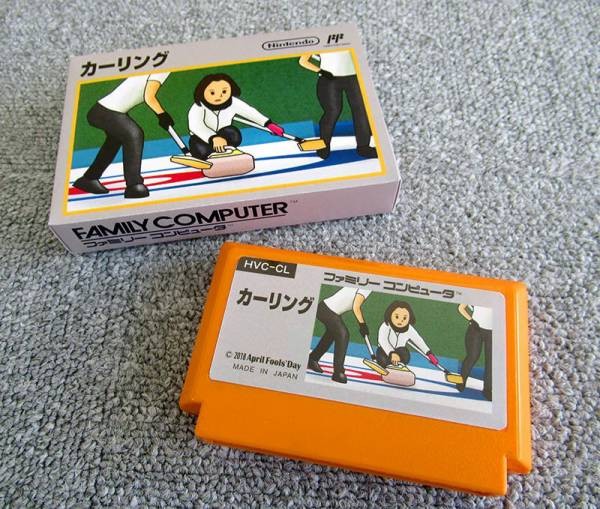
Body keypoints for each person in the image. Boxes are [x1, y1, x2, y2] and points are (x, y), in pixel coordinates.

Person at [74, 72, 173, 198]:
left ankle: (89, 179)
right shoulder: (161, 71)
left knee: (115, 140)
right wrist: (162, 115)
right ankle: (134, 185)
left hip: (104, 110)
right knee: (134, 134)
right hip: (105, 111)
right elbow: (149, 96)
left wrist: (162, 116)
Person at [298, 50, 377, 160]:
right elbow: (303, 61)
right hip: (329, 79)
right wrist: (321, 71)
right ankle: (324, 146)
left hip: (354, 77)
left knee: (361, 111)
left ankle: (364, 147)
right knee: (332, 112)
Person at [187, 73, 284, 161]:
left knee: (233, 134)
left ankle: (225, 152)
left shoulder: (233, 102)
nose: (219, 96)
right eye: (212, 93)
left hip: (223, 135)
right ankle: (208, 155)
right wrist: (213, 138)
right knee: (201, 151)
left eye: (224, 92)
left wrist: (268, 124)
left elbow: (249, 112)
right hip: (202, 138)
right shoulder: (198, 107)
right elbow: (196, 126)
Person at [307, 287, 371, 384]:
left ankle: (312, 358)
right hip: (327, 310)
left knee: (332, 334)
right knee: (343, 334)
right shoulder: (365, 289)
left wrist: (362, 325)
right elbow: (356, 306)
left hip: (326, 309)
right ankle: (338, 372)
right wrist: (362, 325)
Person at [376, 301, 440, 368]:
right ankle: (386, 364)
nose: (400, 321)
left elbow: (418, 340)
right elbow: (383, 340)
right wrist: (391, 353)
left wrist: (429, 353)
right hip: (385, 351)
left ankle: (398, 366)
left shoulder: (409, 329)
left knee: (405, 354)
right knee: (383, 359)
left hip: (399, 351)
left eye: (404, 318)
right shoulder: (386, 326)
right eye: (397, 317)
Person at [457, 304, 493, 400]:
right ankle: (461, 381)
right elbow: (461, 308)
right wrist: (471, 320)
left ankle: (487, 390)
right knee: (472, 357)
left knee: (491, 362)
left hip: (493, 332)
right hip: (475, 329)